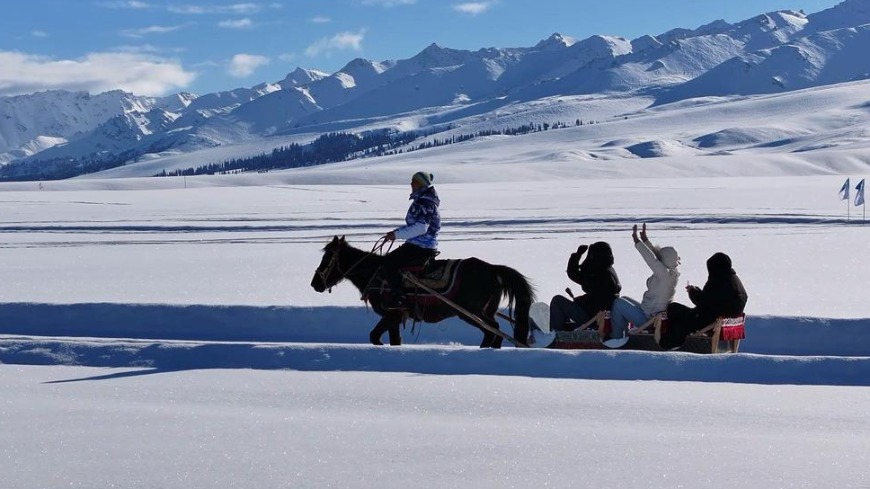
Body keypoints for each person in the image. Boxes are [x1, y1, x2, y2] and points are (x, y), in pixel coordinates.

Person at [659, 252, 748, 350]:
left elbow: (702, 302)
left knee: (674, 309)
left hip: (708, 320)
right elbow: (711, 299)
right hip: (723, 321)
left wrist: (692, 292)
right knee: (682, 314)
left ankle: (669, 344)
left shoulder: (718, 280)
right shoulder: (734, 280)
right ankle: (674, 342)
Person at [380, 171, 441, 305]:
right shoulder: (423, 200)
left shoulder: (424, 203)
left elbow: (420, 228)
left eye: (414, 182)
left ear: (421, 184)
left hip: (421, 247)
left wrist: (396, 235)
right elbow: (415, 226)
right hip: (420, 245)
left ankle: (400, 298)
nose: (411, 184)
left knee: (388, 263)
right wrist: (396, 232)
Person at [610, 224, 680, 338]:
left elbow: (652, 259)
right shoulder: (671, 272)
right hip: (650, 312)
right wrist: (645, 240)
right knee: (624, 299)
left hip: (648, 319)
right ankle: (624, 332)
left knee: (618, 304)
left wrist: (637, 241)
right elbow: (657, 257)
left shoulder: (664, 275)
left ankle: (616, 337)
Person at [549, 241, 621, 333]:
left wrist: (579, 301)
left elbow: (598, 300)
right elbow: (578, 276)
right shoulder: (604, 270)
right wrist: (577, 256)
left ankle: (554, 335)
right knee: (564, 307)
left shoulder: (602, 275)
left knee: (557, 301)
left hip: (593, 318)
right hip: (596, 315)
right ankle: (563, 328)